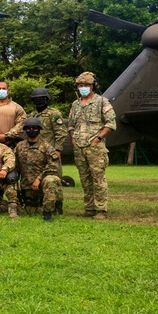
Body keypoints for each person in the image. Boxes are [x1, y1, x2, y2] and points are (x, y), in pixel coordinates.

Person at [67, 71, 117, 219]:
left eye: (86, 85)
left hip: (94, 147)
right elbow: (71, 124)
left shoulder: (102, 102)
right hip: (79, 147)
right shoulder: (75, 104)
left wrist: (98, 138)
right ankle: (89, 208)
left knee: (98, 178)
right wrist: (73, 138)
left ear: (93, 86)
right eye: (80, 85)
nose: (83, 87)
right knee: (85, 179)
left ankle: (101, 209)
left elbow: (111, 123)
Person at [29, 87, 68, 215]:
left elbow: (61, 133)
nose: (39, 101)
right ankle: (42, 202)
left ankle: (58, 205)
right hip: (36, 153)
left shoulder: (54, 114)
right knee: (37, 178)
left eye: (41, 98)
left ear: (46, 99)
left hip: (51, 153)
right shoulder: (32, 115)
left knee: (55, 178)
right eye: (36, 99)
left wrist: (57, 150)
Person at [14, 118, 62, 221]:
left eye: (35, 128)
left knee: (51, 180)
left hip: (42, 183)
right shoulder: (20, 146)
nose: (32, 130)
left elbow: (53, 166)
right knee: (31, 212)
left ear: (39, 130)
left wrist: (39, 179)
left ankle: (48, 213)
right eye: (29, 128)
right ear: (25, 130)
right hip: (27, 185)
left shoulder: (47, 146)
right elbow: (16, 166)